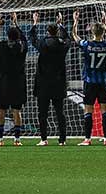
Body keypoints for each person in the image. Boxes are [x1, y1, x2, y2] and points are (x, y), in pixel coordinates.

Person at [73, 10, 106, 146]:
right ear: (102, 33)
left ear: (92, 32)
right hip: (102, 82)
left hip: (89, 82)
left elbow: (75, 36)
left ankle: (87, 139)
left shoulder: (87, 45)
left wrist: (75, 22)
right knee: (104, 111)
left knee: (88, 110)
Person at [31, 11, 70, 146]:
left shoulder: (43, 43)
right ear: (57, 31)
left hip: (43, 84)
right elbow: (68, 38)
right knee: (60, 113)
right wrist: (61, 25)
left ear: (47, 32)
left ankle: (44, 139)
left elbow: (32, 38)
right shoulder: (62, 44)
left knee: (43, 113)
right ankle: (62, 140)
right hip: (58, 83)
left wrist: (35, 23)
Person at [0, 12, 28, 146]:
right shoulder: (22, 47)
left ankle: (0, 139)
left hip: (3, 84)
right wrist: (16, 23)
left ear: (8, 36)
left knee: (1, 111)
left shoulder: (3, 47)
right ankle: (17, 139)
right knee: (17, 111)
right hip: (18, 84)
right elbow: (25, 39)